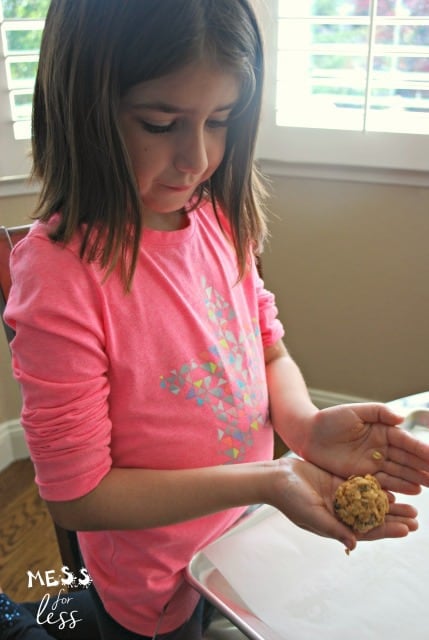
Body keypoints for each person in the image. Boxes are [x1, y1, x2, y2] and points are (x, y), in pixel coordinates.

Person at [4, 0, 429, 638]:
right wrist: (268, 478)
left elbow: (268, 349)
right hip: (151, 581)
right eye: (159, 122)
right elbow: (76, 494)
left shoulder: (217, 214)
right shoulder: (61, 276)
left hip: (244, 533)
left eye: (222, 120)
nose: (196, 158)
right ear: (84, 109)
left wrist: (305, 429)